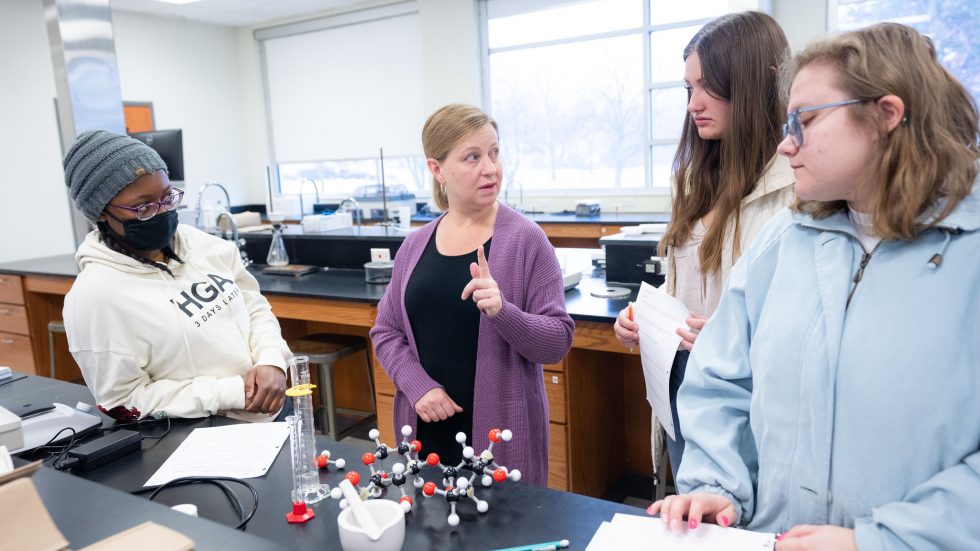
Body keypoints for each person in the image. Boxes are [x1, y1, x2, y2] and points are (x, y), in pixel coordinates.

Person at [649, 23, 980, 550]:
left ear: (885, 116)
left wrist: (875, 541)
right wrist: (718, 485)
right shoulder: (786, 240)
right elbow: (721, 379)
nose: (785, 144)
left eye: (805, 121)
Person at [612, 11, 794, 480]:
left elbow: (804, 321)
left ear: (753, 83)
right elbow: (683, 284)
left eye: (707, 85)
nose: (693, 103)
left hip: (746, 401)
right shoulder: (693, 179)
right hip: (677, 381)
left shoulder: (795, 187)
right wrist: (641, 318)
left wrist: (736, 332)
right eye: (688, 88)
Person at [369, 104, 574, 485]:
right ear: (437, 169)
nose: (490, 168)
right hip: (426, 433)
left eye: (494, 153)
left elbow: (557, 342)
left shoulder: (527, 240)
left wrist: (503, 312)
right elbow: (385, 332)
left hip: (500, 441)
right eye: (473, 157)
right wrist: (418, 387)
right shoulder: (415, 246)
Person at [62, 130, 292, 422]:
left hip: (272, 408)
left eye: (168, 197)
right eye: (144, 207)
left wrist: (272, 361)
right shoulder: (95, 298)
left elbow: (254, 308)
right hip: (203, 433)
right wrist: (233, 393)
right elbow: (123, 400)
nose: (162, 212)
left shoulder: (204, 246)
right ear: (101, 213)